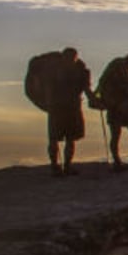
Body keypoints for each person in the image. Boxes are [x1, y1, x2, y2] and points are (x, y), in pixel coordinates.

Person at [32, 47, 92, 176]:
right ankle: (60, 166)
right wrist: (95, 100)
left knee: (63, 139)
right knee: (62, 139)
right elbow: (87, 90)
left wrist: (49, 104)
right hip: (64, 108)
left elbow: (86, 89)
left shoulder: (76, 71)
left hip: (62, 108)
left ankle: (60, 166)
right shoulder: (75, 71)